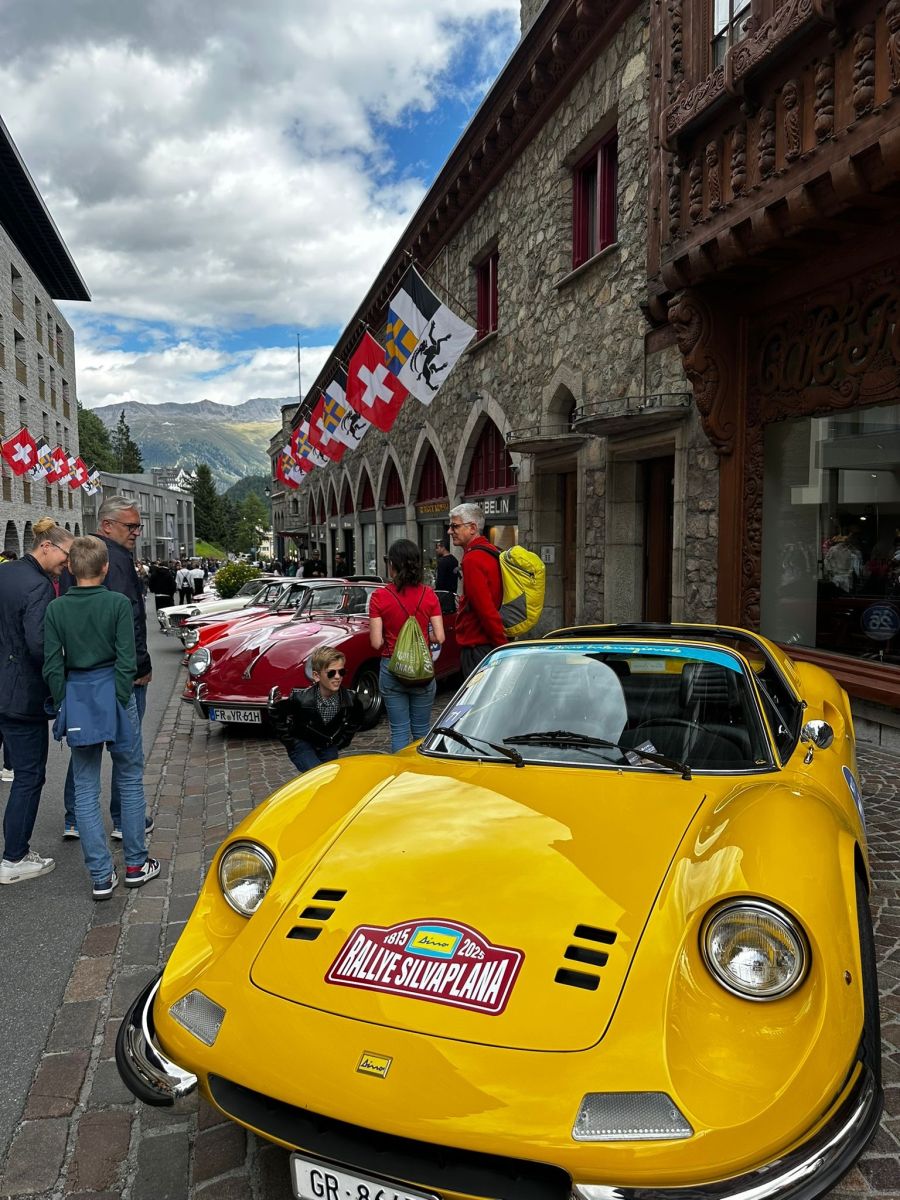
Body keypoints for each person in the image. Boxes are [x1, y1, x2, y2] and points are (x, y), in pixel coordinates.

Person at [43, 537, 159, 900]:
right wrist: (121, 697)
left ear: (71, 568)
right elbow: (127, 659)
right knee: (129, 777)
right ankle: (136, 864)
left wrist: (64, 701)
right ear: (105, 568)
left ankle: (100, 874)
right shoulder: (117, 603)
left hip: (79, 694)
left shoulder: (57, 609)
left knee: (85, 787)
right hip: (115, 693)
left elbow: (52, 664)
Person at [61, 496, 153, 841]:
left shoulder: (79, 558)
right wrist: (141, 666)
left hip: (81, 676)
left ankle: (74, 818)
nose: (136, 532)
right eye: (131, 526)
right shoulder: (115, 559)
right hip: (120, 674)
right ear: (107, 525)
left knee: (85, 749)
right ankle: (124, 821)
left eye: (138, 525)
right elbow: (131, 619)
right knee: (126, 754)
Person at [0, 518, 73, 885]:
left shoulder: (6, 572)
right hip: (21, 694)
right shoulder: (39, 585)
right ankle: (14, 857)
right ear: (46, 546)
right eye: (65, 555)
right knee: (29, 776)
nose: (67, 564)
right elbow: (39, 645)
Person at [369, 539, 445, 752]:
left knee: (399, 731)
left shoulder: (379, 596)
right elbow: (440, 637)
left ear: (392, 564)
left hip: (392, 668)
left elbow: (376, 642)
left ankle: (401, 771)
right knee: (422, 731)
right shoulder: (429, 594)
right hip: (422, 669)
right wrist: (422, 637)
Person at [270, 646, 364, 773]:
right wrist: (291, 743)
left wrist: (342, 741)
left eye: (341, 672)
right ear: (316, 676)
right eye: (331, 673)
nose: (337, 677)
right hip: (303, 743)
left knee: (331, 775)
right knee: (317, 774)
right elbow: (276, 714)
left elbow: (356, 720)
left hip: (328, 744)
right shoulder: (301, 699)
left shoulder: (350, 699)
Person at [448, 503, 507, 678]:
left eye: (455, 526)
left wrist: (502, 646)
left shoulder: (473, 559)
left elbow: (485, 610)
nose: (450, 531)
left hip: (479, 648)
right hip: (488, 644)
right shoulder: (491, 550)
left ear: (472, 528)